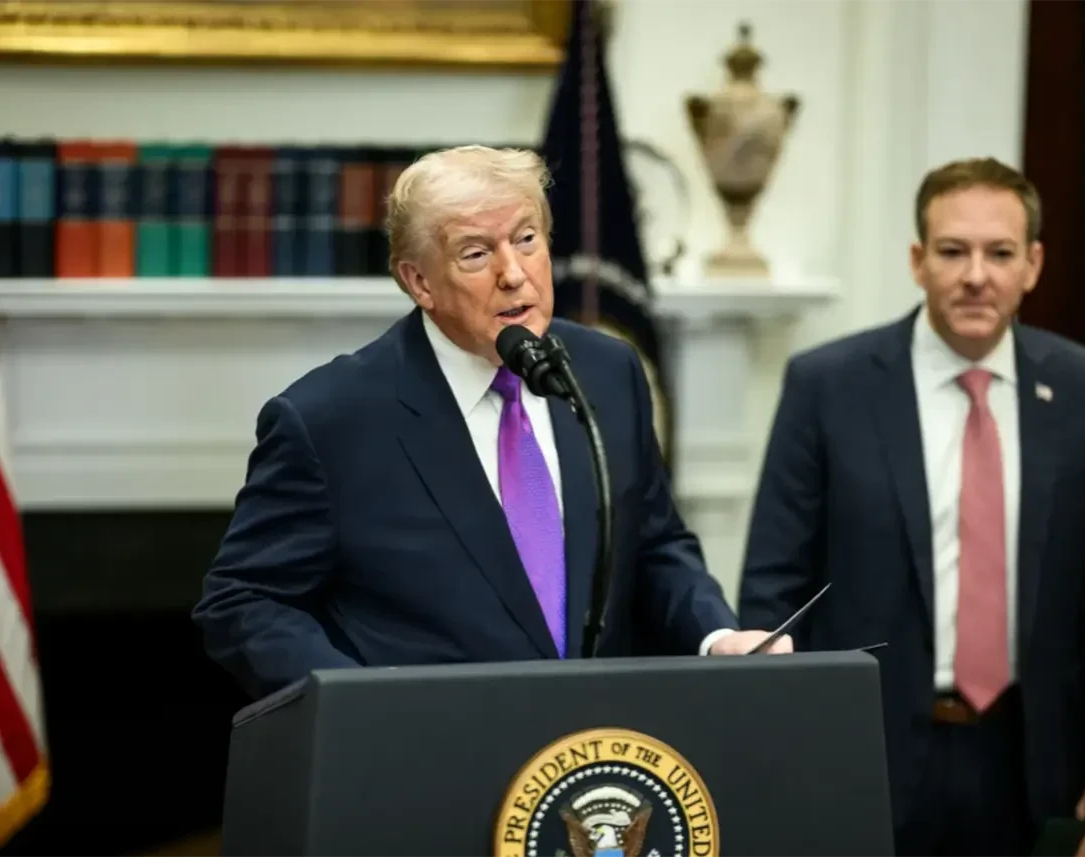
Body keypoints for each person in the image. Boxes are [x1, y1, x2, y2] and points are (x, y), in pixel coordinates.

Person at [192, 145, 788, 702]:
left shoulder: (607, 372)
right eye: (476, 254)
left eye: (527, 240)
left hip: (594, 745)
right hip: (432, 750)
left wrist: (716, 635)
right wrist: (357, 702)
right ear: (419, 282)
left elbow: (654, 546)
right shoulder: (331, 418)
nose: (513, 273)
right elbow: (243, 599)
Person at [737, 157, 1085, 857]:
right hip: (866, 758)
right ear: (918, 261)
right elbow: (775, 588)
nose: (976, 275)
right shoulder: (827, 387)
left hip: (1035, 764)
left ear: (1033, 264)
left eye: (1000, 253)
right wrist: (785, 755)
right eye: (953, 251)